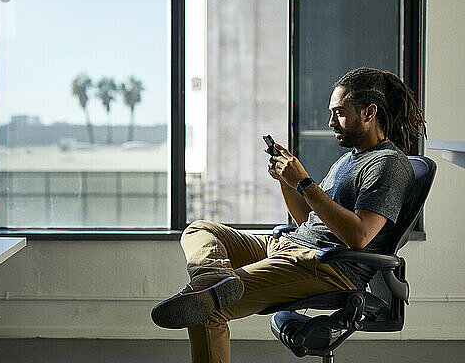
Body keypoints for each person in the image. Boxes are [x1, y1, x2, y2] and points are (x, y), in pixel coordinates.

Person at [150, 67, 427, 363]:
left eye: (339, 113)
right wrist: (288, 182)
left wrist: (305, 183)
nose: (331, 122)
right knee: (200, 229)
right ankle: (213, 278)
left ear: (369, 113)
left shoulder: (388, 165)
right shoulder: (350, 159)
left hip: (325, 266)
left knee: (207, 310)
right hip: (291, 246)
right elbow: (307, 220)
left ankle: (211, 290)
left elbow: (359, 236)